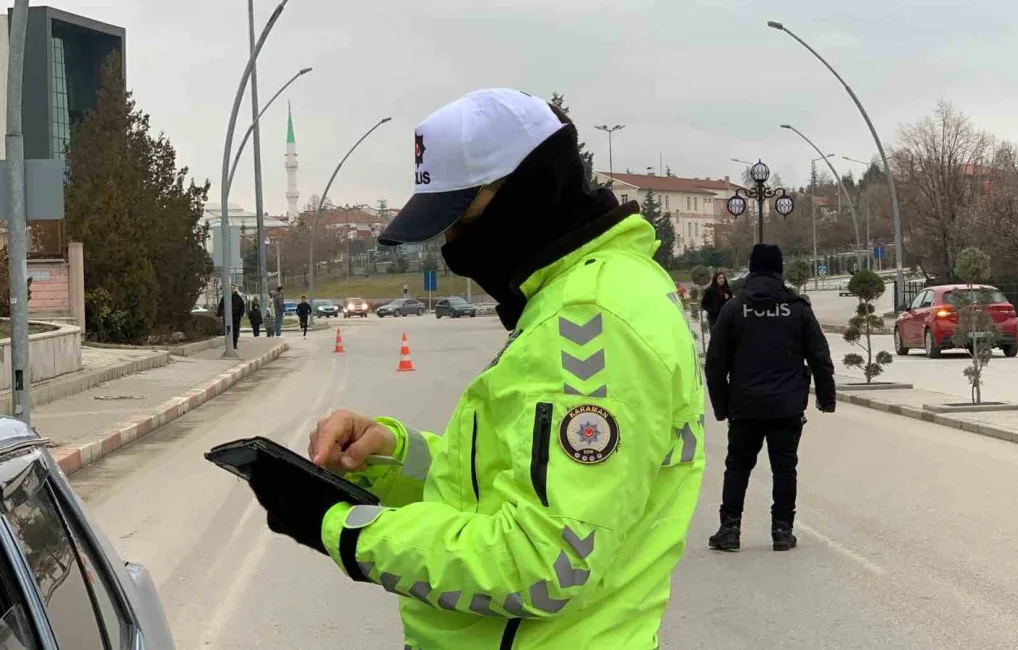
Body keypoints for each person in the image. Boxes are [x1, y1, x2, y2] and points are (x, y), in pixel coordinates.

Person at [246, 88, 704, 649]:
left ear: (528, 191)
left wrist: (342, 528)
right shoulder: (586, 295)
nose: (452, 245)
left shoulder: (591, 321)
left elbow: (544, 564)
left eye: (461, 219)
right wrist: (389, 451)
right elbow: (507, 483)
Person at [704, 244, 836, 553]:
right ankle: (782, 531)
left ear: (750, 269)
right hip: (787, 405)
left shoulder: (734, 309)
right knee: (785, 468)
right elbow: (820, 356)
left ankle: (730, 529)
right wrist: (826, 398)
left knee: (737, 466)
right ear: (780, 270)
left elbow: (715, 364)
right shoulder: (797, 308)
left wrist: (721, 406)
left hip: (745, 405)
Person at [216, 285, 246, 350]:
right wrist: (219, 315)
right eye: (230, 289)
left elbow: (242, 307)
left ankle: (234, 345)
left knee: (235, 331)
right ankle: (229, 345)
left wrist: (241, 315)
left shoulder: (238, 298)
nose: (232, 290)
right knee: (228, 331)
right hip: (227, 317)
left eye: (233, 288)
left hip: (236, 317)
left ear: (235, 290)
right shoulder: (225, 297)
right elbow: (221, 306)